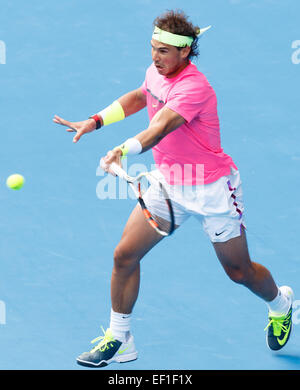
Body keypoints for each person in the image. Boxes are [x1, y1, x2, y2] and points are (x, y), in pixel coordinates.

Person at [53, 10, 294, 368]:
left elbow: (160, 127)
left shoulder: (195, 88)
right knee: (124, 255)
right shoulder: (156, 73)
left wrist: (123, 149)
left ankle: (280, 303)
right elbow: (140, 96)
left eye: (164, 51)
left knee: (239, 272)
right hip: (169, 184)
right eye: (153, 48)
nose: (156, 57)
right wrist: (96, 120)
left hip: (212, 189)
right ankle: (121, 338)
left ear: (185, 51)